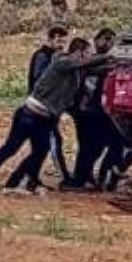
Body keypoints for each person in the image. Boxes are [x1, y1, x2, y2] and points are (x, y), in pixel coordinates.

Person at [0, 36, 92, 197]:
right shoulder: (62, 61)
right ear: (79, 53)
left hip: (45, 119)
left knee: (40, 151)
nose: (90, 56)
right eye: (88, 52)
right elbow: (87, 64)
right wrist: (111, 56)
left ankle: (13, 184)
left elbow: (93, 67)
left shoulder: (76, 71)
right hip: (29, 114)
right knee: (10, 148)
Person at [68, 28, 124, 190]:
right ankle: (81, 179)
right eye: (105, 39)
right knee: (88, 147)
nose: (108, 43)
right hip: (85, 112)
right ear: (96, 39)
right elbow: (90, 70)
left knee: (104, 146)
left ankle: (94, 177)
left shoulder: (101, 61)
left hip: (98, 112)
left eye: (111, 40)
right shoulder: (89, 60)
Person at [28, 25, 74, 185]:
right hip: (41, 108)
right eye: (58, 41)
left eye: (64, 41)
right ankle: (64, 178)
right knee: (53, 142)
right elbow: (39, 78)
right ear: (50, 40)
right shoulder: (43, 56)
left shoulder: (55, 57)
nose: (61, 45)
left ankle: (32, 178)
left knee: (42, 145)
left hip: (43, 107)